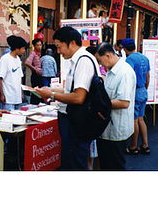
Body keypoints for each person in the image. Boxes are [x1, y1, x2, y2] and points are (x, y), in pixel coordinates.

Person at [35, 26, 100, 170]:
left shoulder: (83, 61)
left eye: (59, 47)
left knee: (74, 164)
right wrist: (50, 89)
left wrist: (51, 95)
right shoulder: (77, 60)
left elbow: (78, 97)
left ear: (71, 43)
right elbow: (71, 90)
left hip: (76, 121)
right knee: (70, 161)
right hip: (72, 120)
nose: (58, 51)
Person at [94, 42, 136, 170]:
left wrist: (99, 103)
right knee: (106, 165)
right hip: (107, 129)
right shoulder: (112, 71)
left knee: (115, 167)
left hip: (116, 131)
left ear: (107, 56)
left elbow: (123, 102)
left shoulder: (124, 73)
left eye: (100, 61)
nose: (100, 64)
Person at [122, 38, 151, 155]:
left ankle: (133, 146)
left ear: (124, 49)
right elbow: (148, 76)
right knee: (141, 119)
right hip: (143, 90)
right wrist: (144, 88)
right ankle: (145, 145)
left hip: (135, 91)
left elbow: (128, 77)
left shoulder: (129, 59)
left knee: (134, 120)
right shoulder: (144, 57)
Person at [0, 36, 27, 112]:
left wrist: (21, 93)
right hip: (8, 97)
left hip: (17, 96)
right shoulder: (5, 59)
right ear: (17, 49)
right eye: (23, 48)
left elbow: (20, 77)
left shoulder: (18, 59)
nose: (24, 51)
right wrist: (2, 94)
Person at [25, 38, 44, 104]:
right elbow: (27, 62)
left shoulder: (39, 53)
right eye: (37, 45)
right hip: (35, 75)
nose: (39, 47)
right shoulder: (33, 53)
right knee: (35, 90)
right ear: (34, 46)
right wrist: (35, 69)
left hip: (39, 75)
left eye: (40, 45)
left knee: (39, 90)